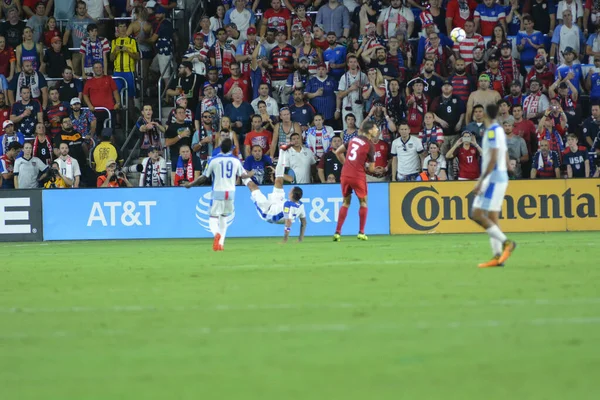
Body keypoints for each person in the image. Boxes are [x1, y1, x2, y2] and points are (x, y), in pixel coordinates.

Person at [470, 102, 516, 268]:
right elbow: (503, 153)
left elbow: (495, 155)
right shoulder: (499, 130)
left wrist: (482, 180)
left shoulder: (491, 132)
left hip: (493, 178)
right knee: (492, 217)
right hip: (499, 176)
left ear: (485, 115)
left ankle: (506, 243)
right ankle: (498, 257)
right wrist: (508, 168)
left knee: (475, 214)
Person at [186, 138, 249, 250]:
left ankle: (216, 234)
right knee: (224, 217)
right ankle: (221, 244)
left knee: (213, 217)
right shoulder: (236, 161)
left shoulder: (213, 160)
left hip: (218, 192)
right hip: (230, 193)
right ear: (231, 148)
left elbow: (204, 177)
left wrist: (191, 184)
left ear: (220, 147)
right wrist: (252, 173)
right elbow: (243, 175)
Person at [332, 120, 381, 241]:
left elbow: (338, 152)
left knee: (346, 202)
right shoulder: (370, 145)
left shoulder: (353, 139)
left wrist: (347, 164)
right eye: (375, 128)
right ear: (369, 131)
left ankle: (337, 233)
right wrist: (370, 169)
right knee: (363, 202)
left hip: (345, 174)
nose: (377, 131)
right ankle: (361, 232)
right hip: (358, 175)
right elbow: (371, 168)